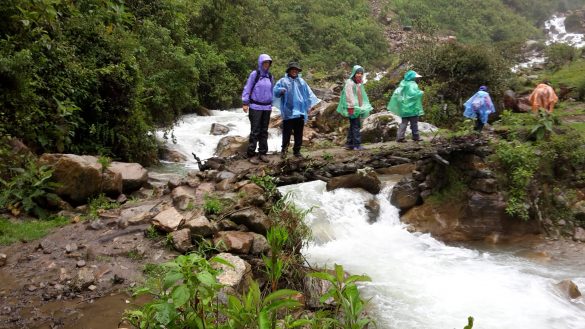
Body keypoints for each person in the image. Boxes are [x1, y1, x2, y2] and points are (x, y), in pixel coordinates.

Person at [273, 61, 319, 159]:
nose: (294, 71)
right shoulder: (283, 81)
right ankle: (284, 151)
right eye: (293, 70)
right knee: (287, 133)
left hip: (300, 112)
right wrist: (280, 91)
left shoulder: (302, 82)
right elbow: (275, 92)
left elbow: (309, 94)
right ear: (289, 71)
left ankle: (297, 151)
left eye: (296, 70)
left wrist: (309, 106)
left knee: (299, 133)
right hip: (288, 112)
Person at [241, 54, 274, 164]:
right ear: (260, 63)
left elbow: (272, 90)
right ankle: (251, 154)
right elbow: (247, 88)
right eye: (264, 62)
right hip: (255, 106)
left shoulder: (270, 76)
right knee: (255, 131)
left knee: (264, 131)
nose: (266, 64)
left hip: (267, 107)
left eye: (268, 63)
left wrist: (272, 103)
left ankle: (262, 153)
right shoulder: (255, 75)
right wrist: (245, 102)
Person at [336, 65, 373, 150]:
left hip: (356, 107)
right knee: (356, 125)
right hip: (352, 107)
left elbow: (360, 95)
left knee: (353, 125)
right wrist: (352, 107)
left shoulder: (358, 82)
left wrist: (361, 106)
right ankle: (357, 145)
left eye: (361, 73)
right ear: (354, 73)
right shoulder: (350, 82)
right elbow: (349, 95)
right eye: (358, 73)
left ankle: (349, 144)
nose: (359, 75)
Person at [387, 70, 424, 143]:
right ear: (412, 77)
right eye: (415, 77)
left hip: (404, 108)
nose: (416, 79)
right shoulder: (413, 84)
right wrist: (421, 92)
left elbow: (398, 94)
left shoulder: (403, 83)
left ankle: (400, 137)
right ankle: (416, 137)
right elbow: (413, 94)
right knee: (414, 123)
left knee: (403, 123)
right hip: (412, 108)